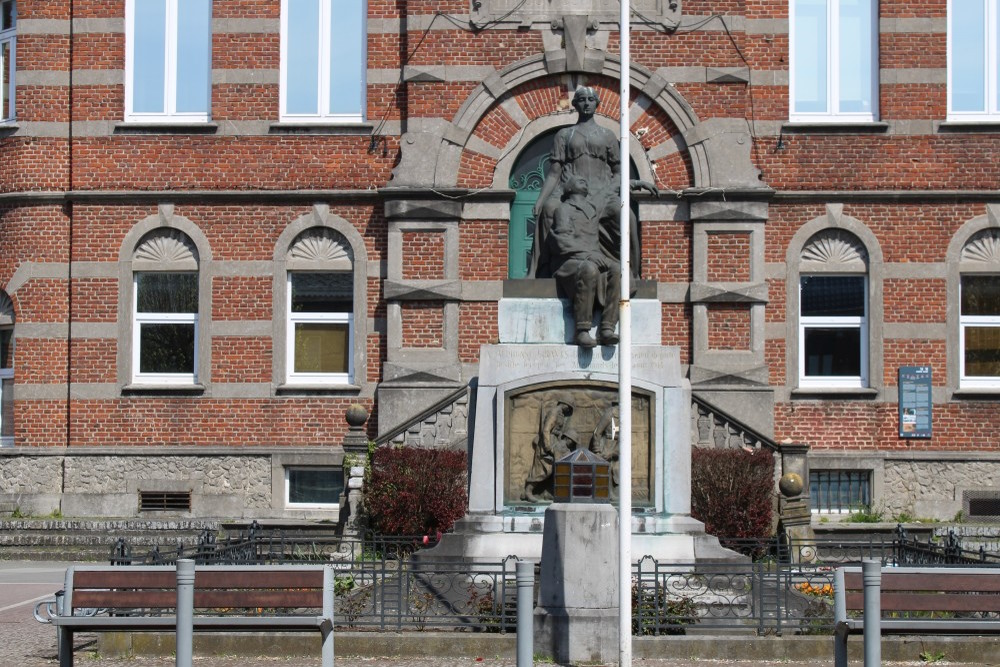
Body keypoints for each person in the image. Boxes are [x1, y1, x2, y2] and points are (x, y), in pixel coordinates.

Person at [528, 85, 658, 347]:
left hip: (603, 192)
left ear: (597, 104)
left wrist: (628, 185)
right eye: (581, 100)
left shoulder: (608, 135)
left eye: (590, 100)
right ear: (575, 105)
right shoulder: (565, 134)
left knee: (627, 219)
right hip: (573, 192)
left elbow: (619, 171)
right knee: (550, 212)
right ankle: (540, 271)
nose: (586, 104)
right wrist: (541, 200)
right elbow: (554, 171)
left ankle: (631, 271)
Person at [523, 400, 578, 503]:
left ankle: (548, 493)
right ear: (564, 403)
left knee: (554, 469)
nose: (569, 410)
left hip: (555, 441)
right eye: (569, 407)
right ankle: (528, 491)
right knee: (542, 470)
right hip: (547, 442)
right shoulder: (554, 412)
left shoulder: (560, 414)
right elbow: (546, 429)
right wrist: (548, 446)